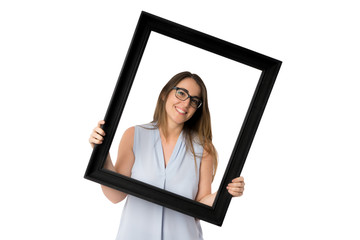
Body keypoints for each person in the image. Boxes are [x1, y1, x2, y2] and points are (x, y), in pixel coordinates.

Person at [89, 71, 245, 239]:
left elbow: (199, 209)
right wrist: (101, 154)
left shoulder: (203, 149)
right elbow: (115, 196)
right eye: (181, 93)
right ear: (164, 94)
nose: (185, 104)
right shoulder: (134, 135)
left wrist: (225, 192)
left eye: (194, 101)